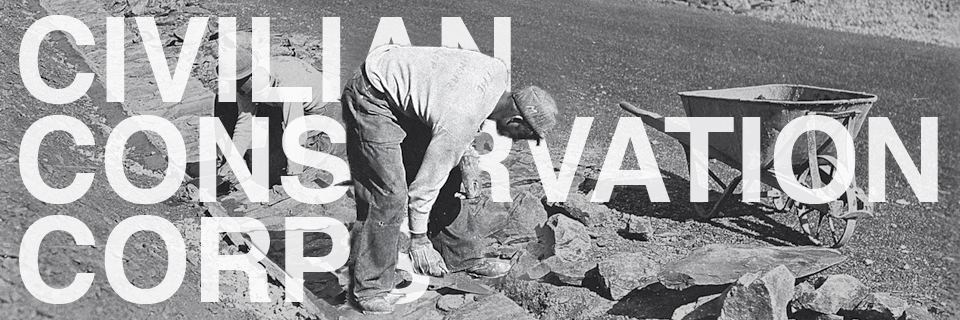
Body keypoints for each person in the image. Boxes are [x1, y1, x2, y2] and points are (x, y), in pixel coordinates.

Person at [341, 44, 558, 314]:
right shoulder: (459, 118)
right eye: (524, 135)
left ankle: (461, 257)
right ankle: (371, 287)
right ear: (515, 119)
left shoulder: (498, 73)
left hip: (408, 92)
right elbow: (426, 184)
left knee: (451, 169)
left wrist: (467, 160)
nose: (519, 141)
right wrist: (419, 240)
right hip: (373, 95)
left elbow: (454, 103)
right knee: (388, 195)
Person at [215, 32, 341, 177]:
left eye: (240, 87)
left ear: (253, 75)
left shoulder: (288, 86)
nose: (237, 91)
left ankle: (324, 142)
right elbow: (245, 122)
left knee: (301, 158)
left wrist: (293, 174)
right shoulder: (243, 83)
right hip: (277, 102)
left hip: (316, 109)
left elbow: (295, 130)